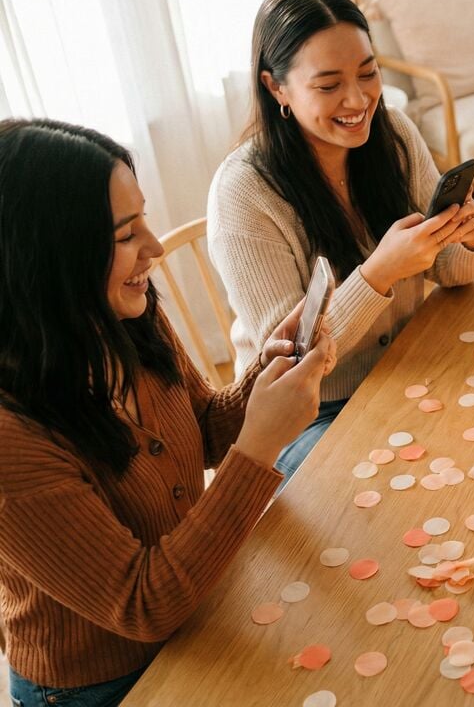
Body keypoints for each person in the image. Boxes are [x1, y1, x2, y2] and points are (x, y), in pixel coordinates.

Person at [0, 118, 333, 704]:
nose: (154, 248)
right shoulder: (10, 437)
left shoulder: (126, 314)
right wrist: (258, 445)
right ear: (48, 258)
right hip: (105, 681)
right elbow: (140, 603)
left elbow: (203, 429)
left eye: (143, 219)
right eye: (125, 234)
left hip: (199, 604)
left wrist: (266, 368)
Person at [208, 0, 474, 486]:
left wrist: (468, 237)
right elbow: (291, 363)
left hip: (405, 366)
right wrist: (380, 273)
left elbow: (454, 273)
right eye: (328, 85)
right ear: (277, 88)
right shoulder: (244, 194)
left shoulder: (395, 135)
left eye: (368, 73)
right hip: (309, 413)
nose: (358, 99)